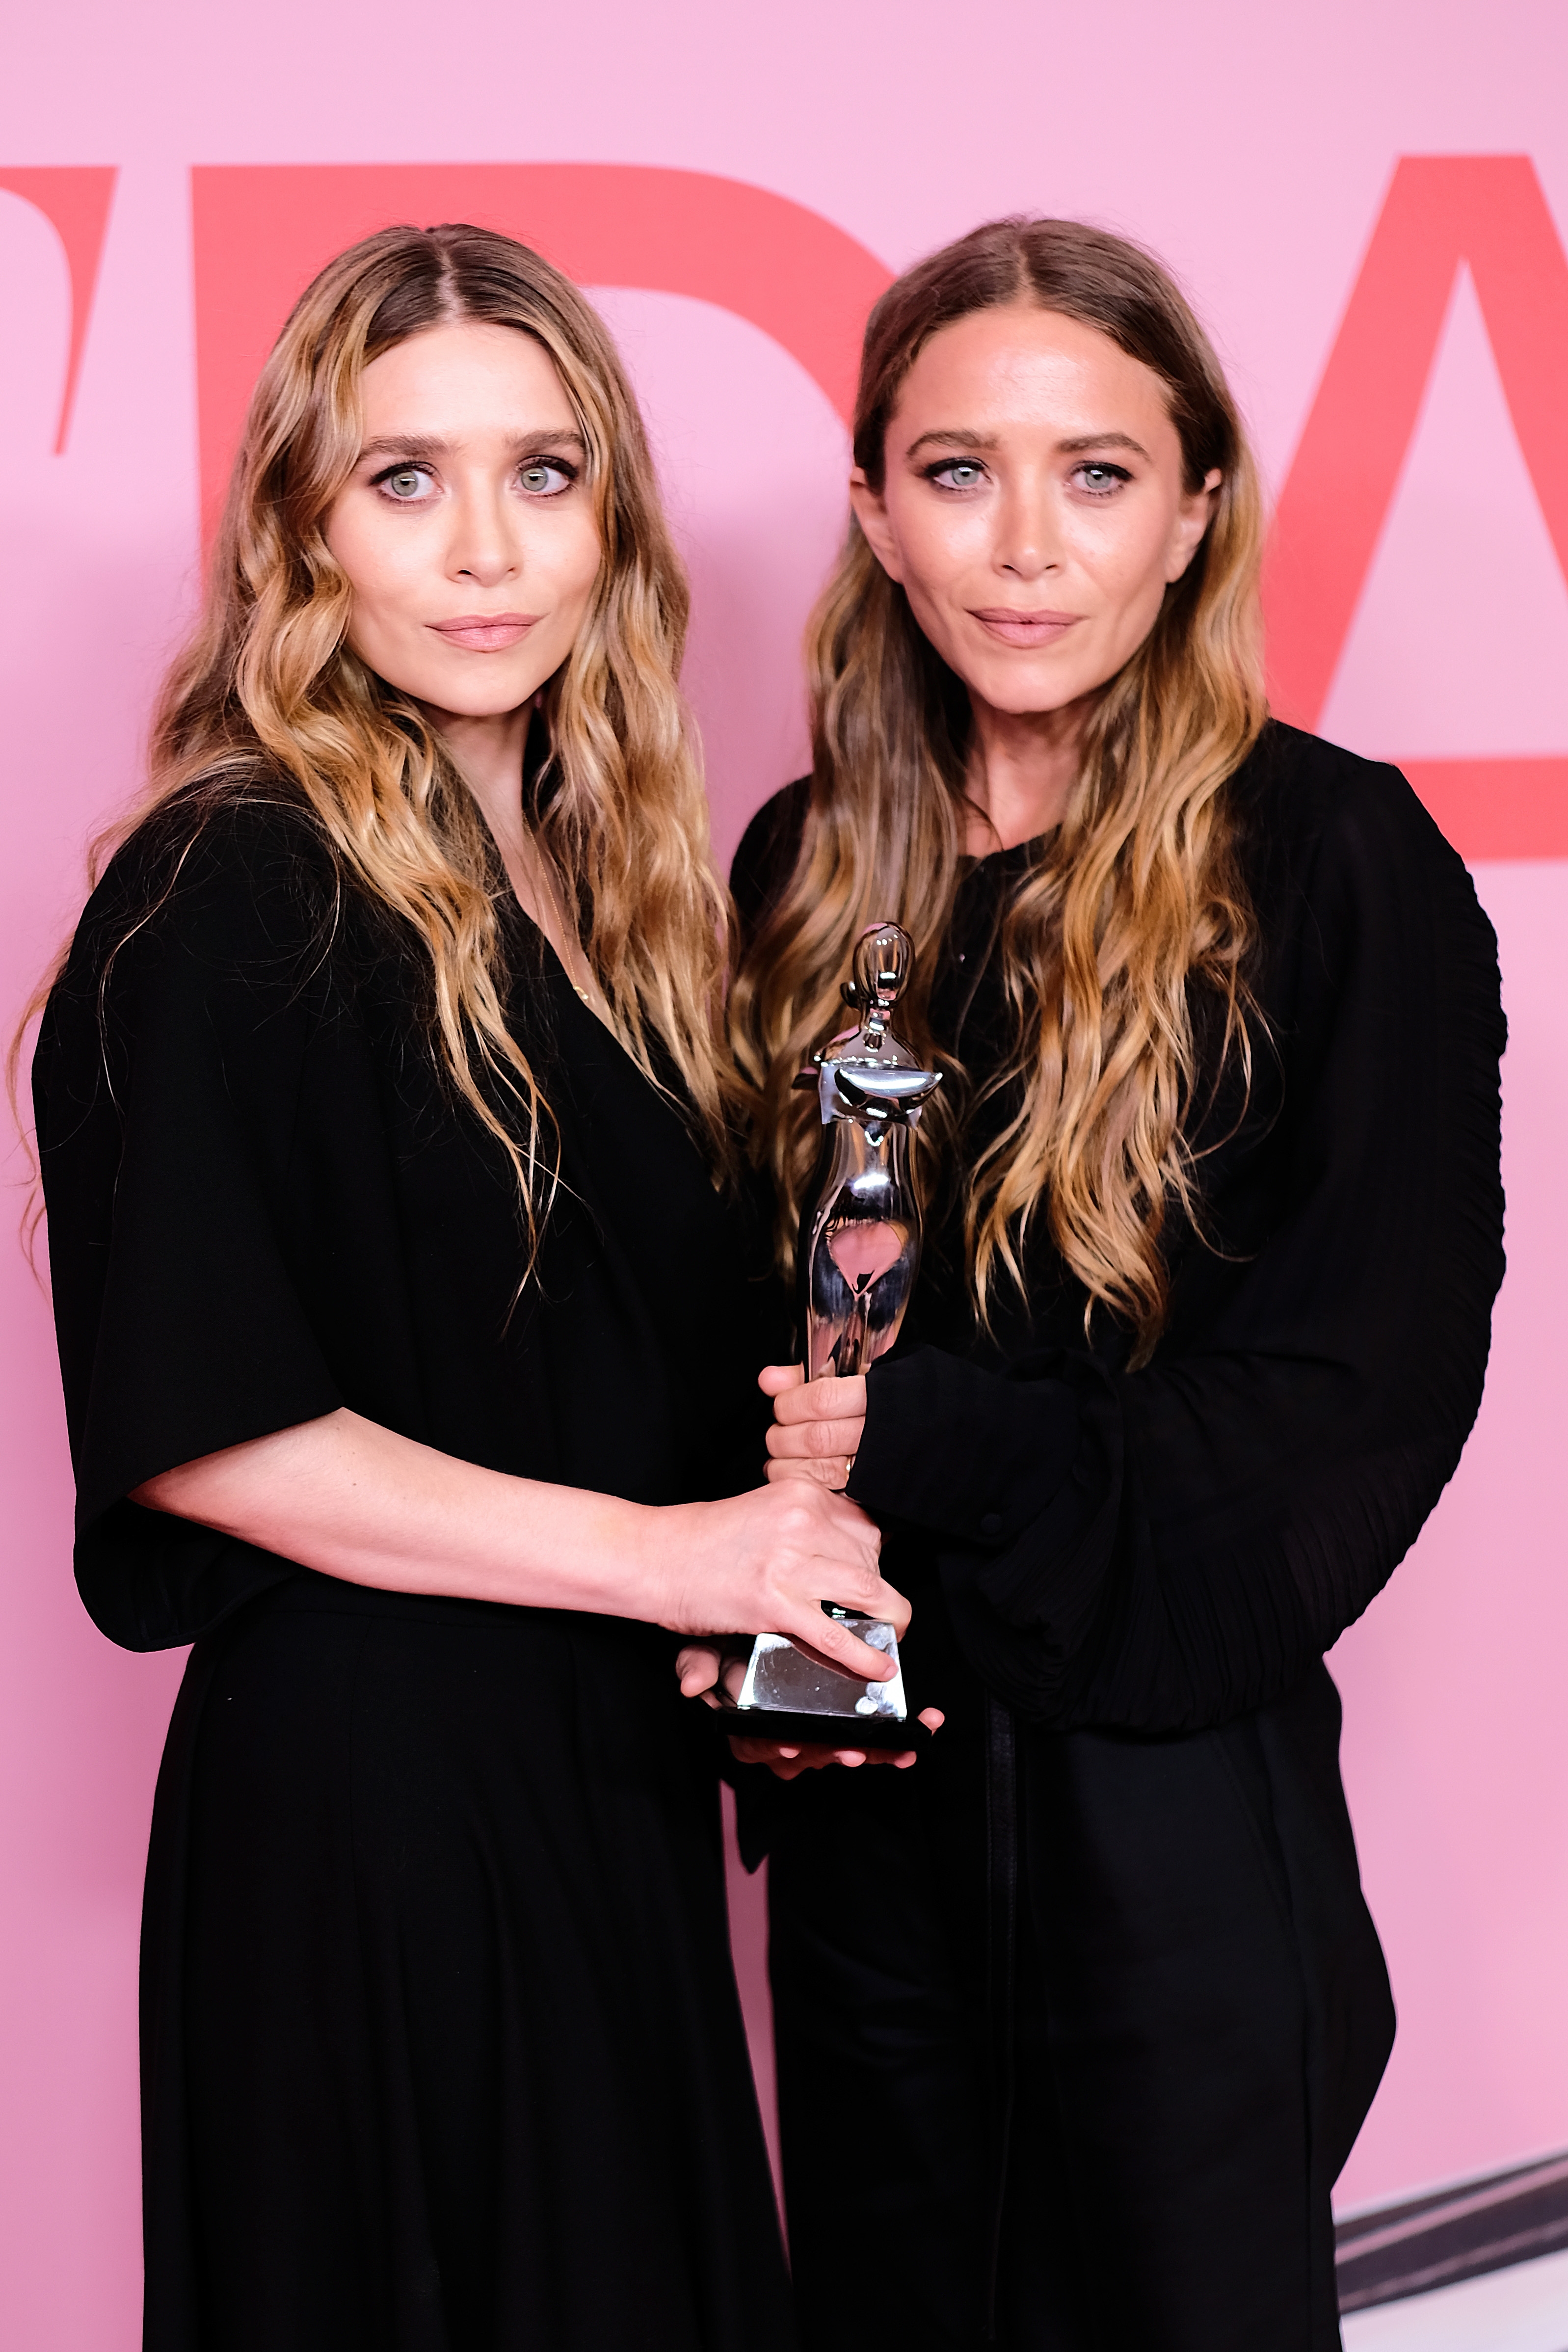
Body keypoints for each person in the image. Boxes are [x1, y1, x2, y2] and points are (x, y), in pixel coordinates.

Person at [29, 223, 906, 2352]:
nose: (485, 546)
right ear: (302, 534)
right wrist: (679, 1556)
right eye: (404, 479)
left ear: (610, 515)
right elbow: (211, 1426)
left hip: (586, 1785)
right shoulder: (234, 874)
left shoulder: (618, 905)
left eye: (542, 472)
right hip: (370, 1821)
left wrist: (745, 1605)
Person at [716, 218, 1507, 2351]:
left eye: (1095, 472)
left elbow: (1357, 1397)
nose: (1023, 545)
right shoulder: (798, 871)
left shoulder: (1333, 860)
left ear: (1196, 510)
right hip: (870, 1821)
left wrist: (933, 1438)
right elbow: (742, 1330)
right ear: (875, 512)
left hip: (1170, 1833)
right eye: (958, 471)